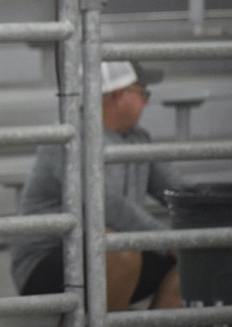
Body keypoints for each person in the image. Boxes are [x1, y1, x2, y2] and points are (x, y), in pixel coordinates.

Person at [11, 61, 182, 312]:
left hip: (118, 251)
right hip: (47, 261)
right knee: (118, 247)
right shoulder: (66, 136)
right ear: (119, 94)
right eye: (143, 93)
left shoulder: (138, 138)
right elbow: (106, 204)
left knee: (196, 258)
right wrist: (167, 240)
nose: (146, 102)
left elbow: (177, 191)